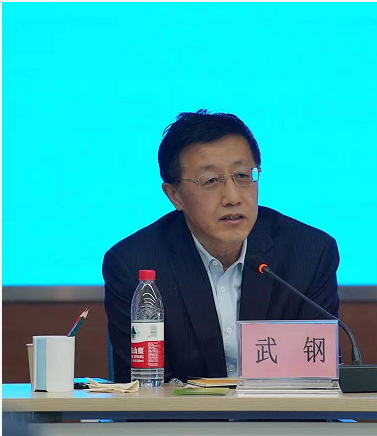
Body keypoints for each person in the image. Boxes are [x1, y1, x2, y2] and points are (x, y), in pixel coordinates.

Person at [103, 109, 340, 383]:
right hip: (181, 413)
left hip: (279, 411)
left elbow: (317, 377)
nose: (232, 197)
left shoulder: (309, 253)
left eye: (242, 176)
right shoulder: (133, 264)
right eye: (211, 181)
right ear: (174, 195)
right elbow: (144, 388)